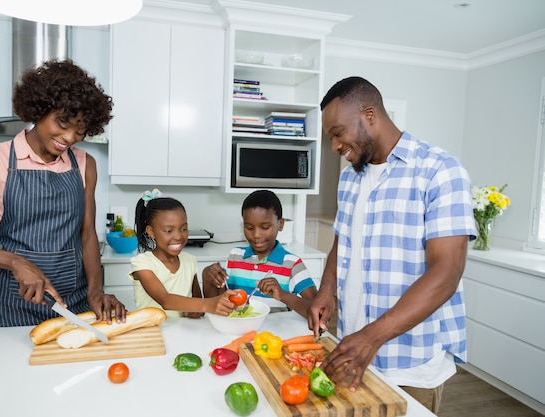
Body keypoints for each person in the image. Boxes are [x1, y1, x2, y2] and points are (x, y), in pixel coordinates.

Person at [307, 76, 476, 413]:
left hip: (410, 363)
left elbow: (447, 272)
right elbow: (342, 240)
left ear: (369, 115)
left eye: (338, 133)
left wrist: (372, 336)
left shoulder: (440, 170)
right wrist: (327, 290)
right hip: (353, 348)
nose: (335, 147)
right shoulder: (349, 177)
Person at [0, 59, 126, 326]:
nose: (69, 138)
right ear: (39, 109)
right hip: (15, 305)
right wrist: (15, 262)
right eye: (62, 124)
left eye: (80, 131)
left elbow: (87, 233)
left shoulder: (86, 164)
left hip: (75, 304)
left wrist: (95, 290)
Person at [203, 190, 317, 317]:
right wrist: (207, 277)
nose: (256, 235)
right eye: (249, 228)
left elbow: (317, 310)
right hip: (238, 332)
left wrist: (283, 295)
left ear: (281, 224)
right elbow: (218, 304)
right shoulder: (236, 256)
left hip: (277, 334)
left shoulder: (292, 264)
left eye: (265, 227)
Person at [129, 189, 236, 318]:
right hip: (151, 332)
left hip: (182, 331)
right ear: (151, 232)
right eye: (169, 231)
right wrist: (208, 304)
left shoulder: (189, 261)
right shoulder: (142, 263)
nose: (179, 236)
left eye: (184, 228)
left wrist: (195, 311)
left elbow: (197, 302)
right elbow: (165, 300)